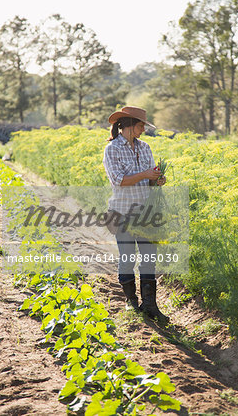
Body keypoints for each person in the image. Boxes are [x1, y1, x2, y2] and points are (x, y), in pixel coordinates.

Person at [103, 106, 169, 322]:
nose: (143, 130)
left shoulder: (145, 147)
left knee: (149, 258)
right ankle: (131, 303)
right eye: (141, 125)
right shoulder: (112, 149)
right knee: (127, 258)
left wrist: (156, 180)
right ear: (129, 125)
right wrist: (145, 174)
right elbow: (119, 180)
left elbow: (148, 180)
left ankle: (150, 305)